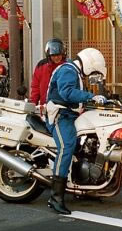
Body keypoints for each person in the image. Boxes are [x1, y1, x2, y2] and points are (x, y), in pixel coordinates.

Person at [44, 47, 107, 214]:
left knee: (87, 145)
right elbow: (67, 93)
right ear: (88, 63)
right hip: (60, 116)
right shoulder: (68, 70)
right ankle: (55, 197)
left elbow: (77, 94)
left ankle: (86, 186)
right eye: (92, 70)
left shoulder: (75, 72)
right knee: (67, 147)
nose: (90, 74)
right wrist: (90, 96)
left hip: (71, 115)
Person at [29, 38, 66, 106]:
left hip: (63, 106)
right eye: (53, 55)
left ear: (63, 54)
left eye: (58, 55)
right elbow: (35, 87)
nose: (56, 58)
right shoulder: (41, 66)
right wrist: (33, 103)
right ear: (49, 55)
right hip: (45, 106)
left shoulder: (67, 66)